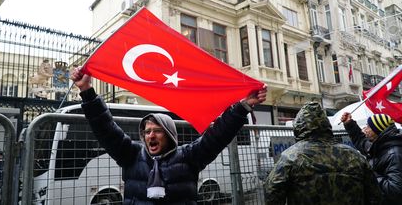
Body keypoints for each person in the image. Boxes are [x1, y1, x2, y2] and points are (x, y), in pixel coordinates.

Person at [70, 67, 267, 204]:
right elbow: (106, 129)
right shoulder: (131, 156)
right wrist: (87, 91)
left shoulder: (189, 157)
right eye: (147, 132)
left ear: (170, 134)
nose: (151, 136)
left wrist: (243, 107)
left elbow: (217, 135)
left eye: (157, 130)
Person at [264, 102, 381, 205]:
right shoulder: (353, 155)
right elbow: (374, 194)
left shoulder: (290, 157)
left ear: (299, 126)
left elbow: (272, 193)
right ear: (326, 125)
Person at [341, 112, 402, 205]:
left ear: (377, 130)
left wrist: (369, 174)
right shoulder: (378, 145)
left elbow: (395, 190)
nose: (365, 129)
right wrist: (349, 124)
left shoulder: (394, 154)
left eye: (368, 126)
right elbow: (361, 141)